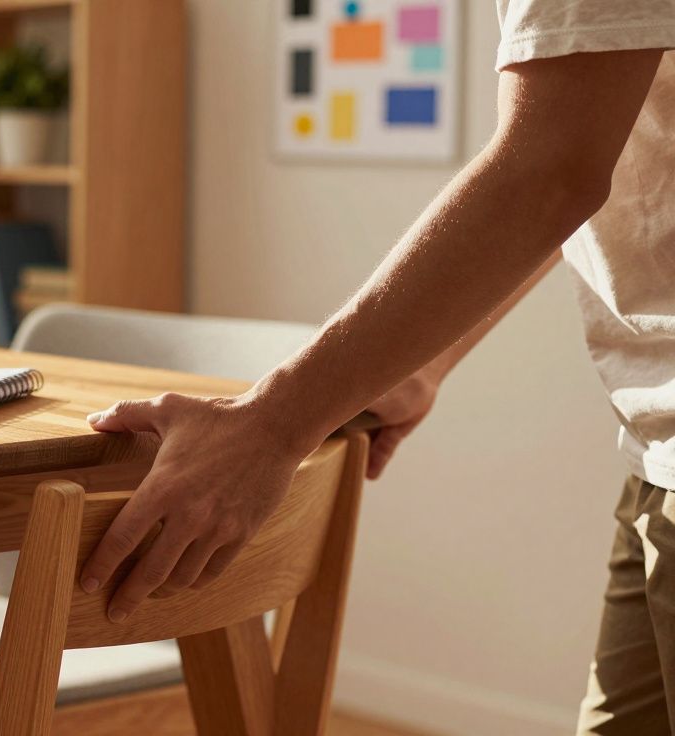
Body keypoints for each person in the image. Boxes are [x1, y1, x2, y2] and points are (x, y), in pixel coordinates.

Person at [80, 2, 675, 732]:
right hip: (655, 446)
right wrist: (426, 363)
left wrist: (270, 427)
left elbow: (550, 171)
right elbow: (588, 154)